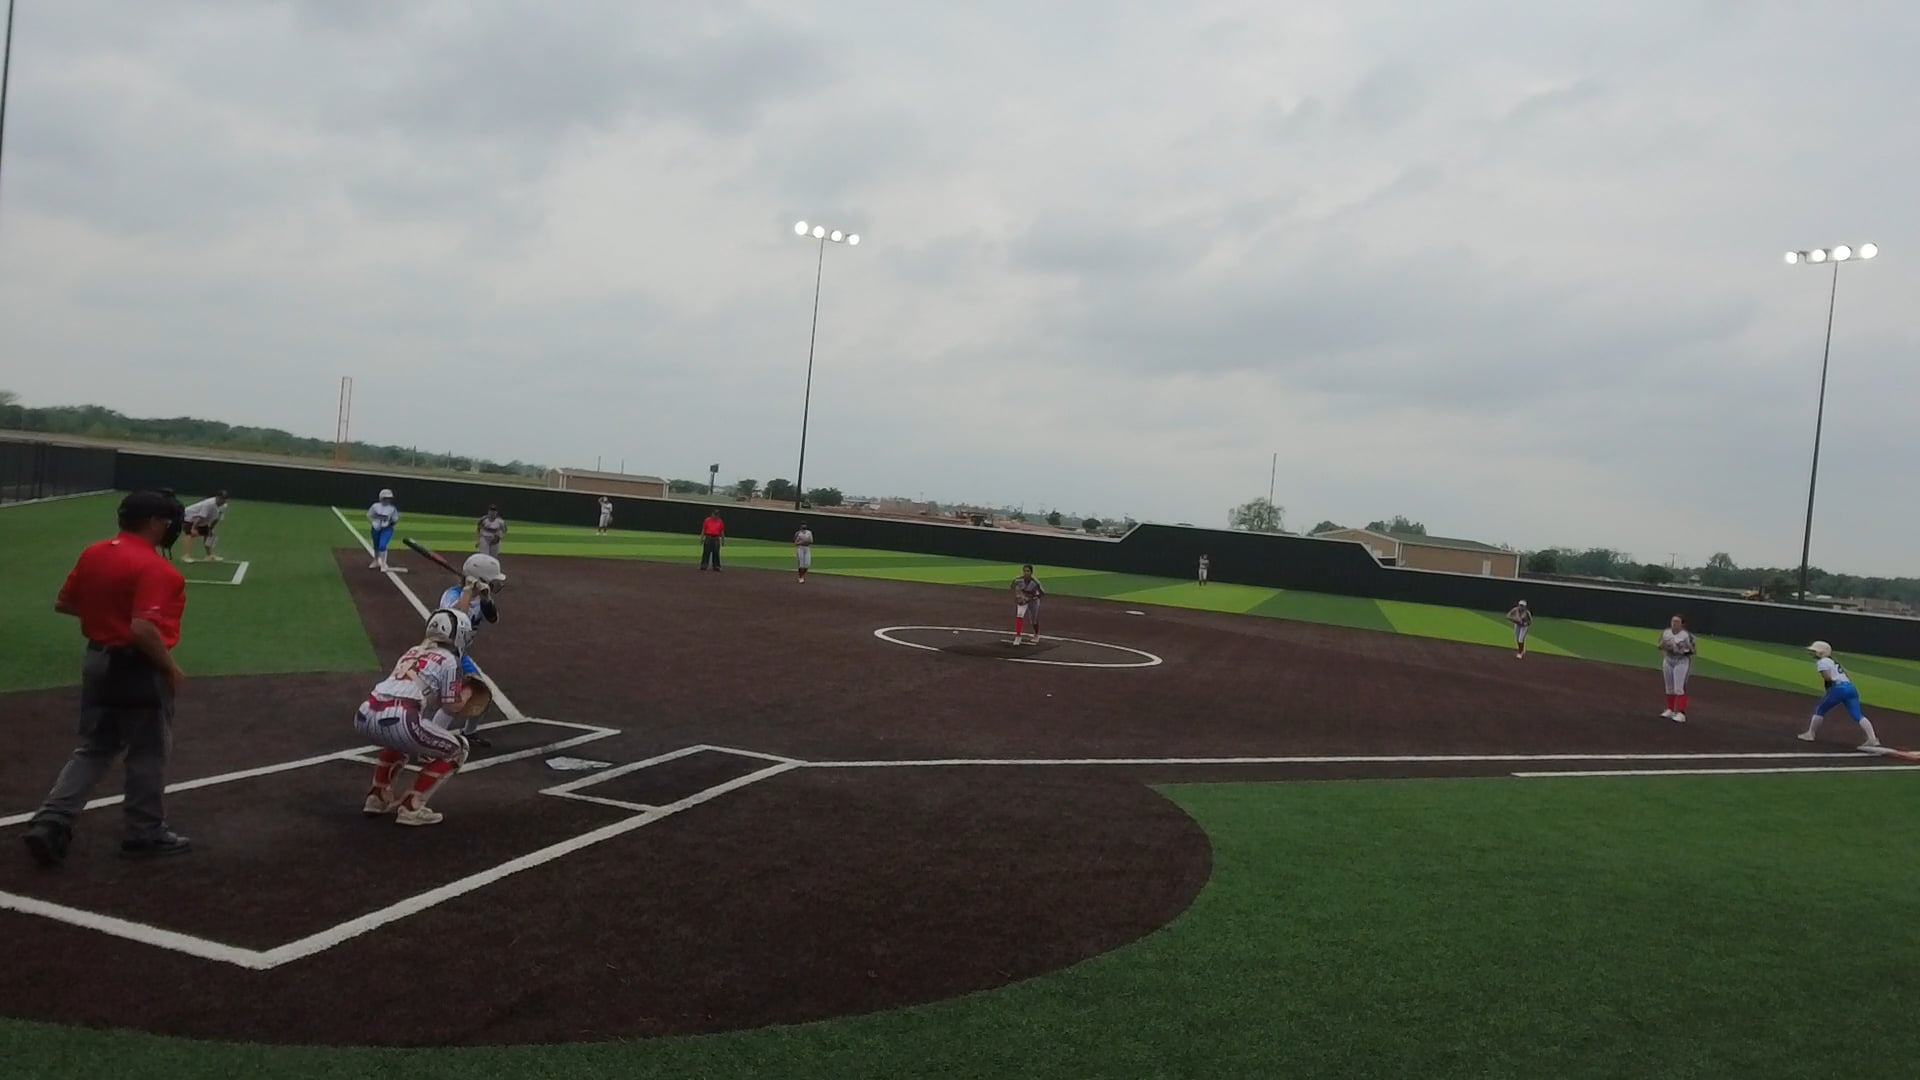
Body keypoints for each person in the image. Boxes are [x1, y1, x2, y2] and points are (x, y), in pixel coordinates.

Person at [22, 491, 191, 866]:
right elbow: (144, 629)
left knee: (95, 747)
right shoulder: (157, 569)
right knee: (148, 752)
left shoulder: (94, 552)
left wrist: (108, 617)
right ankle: (144, 832)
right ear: (153, 523)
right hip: (138, 669)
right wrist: (170, 668)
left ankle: (52, 820)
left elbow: (66, 602)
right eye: (168, 522)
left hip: (97, 661)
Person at [354, 608, 489, 827]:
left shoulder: (412, 651)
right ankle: (412, 807)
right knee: (457, 750)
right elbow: (452, 705)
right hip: (401, 716)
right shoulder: (450, 660)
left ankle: (377, 796)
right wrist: (469, 690)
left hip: (365, 712)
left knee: (397, 740)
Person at [437, 554, 508, 749]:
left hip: (460, 654)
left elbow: (493, 618)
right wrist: (468, 590)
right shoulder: (451, 594)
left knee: (482, 692)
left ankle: (469, 733)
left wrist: (485, 597)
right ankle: (431, 741)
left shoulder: (482, 599)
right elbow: (456, 617)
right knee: (452, 702)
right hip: (443, 655)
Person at [1798, 641, 1881, 749]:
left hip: (1838, 688)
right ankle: (1872, 739)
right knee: (1857, 715)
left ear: (1821, 652)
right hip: (1850, 688)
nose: (1812, 653)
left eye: (1815, 651)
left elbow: (1827, 677)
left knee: (1820, 709)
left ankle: (1810, 734)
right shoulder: (1833, 661)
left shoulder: (1822, 662)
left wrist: (1831, 690)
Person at [1658, 614, 1695, 722]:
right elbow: (1659, 645)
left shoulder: (1686, 635)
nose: (1674, 623)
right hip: (1668, 660)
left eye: (1677, 621)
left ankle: (1681, 713)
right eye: (1673, 621)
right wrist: (1666, 646)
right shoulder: (1666, 632)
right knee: (1669, 687)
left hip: (1681, 662)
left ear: (1682, 624)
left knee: (1679, 688)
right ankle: (1670, 709)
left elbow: (1693, 650)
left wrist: (1681, 649)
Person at [179, 490, 231, 563]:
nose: (223, 500)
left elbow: (217, 518)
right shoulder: (209, 504)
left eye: (225, 499)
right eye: (221, 498)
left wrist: (211, 528)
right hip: (190, 516)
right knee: (189, 534)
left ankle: (209, 555)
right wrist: (193, 528)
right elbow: (200, 517)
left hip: (203, 519)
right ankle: (186, 556)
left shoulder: (224, 506)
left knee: (209, 535)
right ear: (217, 497)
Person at [368, 488, 405, 573]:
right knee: (376, 545)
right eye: (385, 498)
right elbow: (369, 515)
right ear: (381, 498)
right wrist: (373, 523)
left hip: (386, 530)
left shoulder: (392, 509)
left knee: (382, 545)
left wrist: (388, 524)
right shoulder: (375, 506)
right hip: (375, 528)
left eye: (389, 498)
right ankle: (376, 561)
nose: (387, 500)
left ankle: (383, 564)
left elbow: (395, 520)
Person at [1012, 564, 1045, 645]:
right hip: (1023, 600)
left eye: (1028, 571)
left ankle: (1036, 634)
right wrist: (1019, 594)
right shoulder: (1018, 580)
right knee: (1019, 615)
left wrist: (1032, 598)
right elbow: (1013, 586)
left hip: (1033, 601)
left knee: (1034, 620)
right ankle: (1018, 637)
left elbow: (1042, 593)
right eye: (1024, 571)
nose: (1026, 573)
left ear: (1031, 572)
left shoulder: (1035, 582)